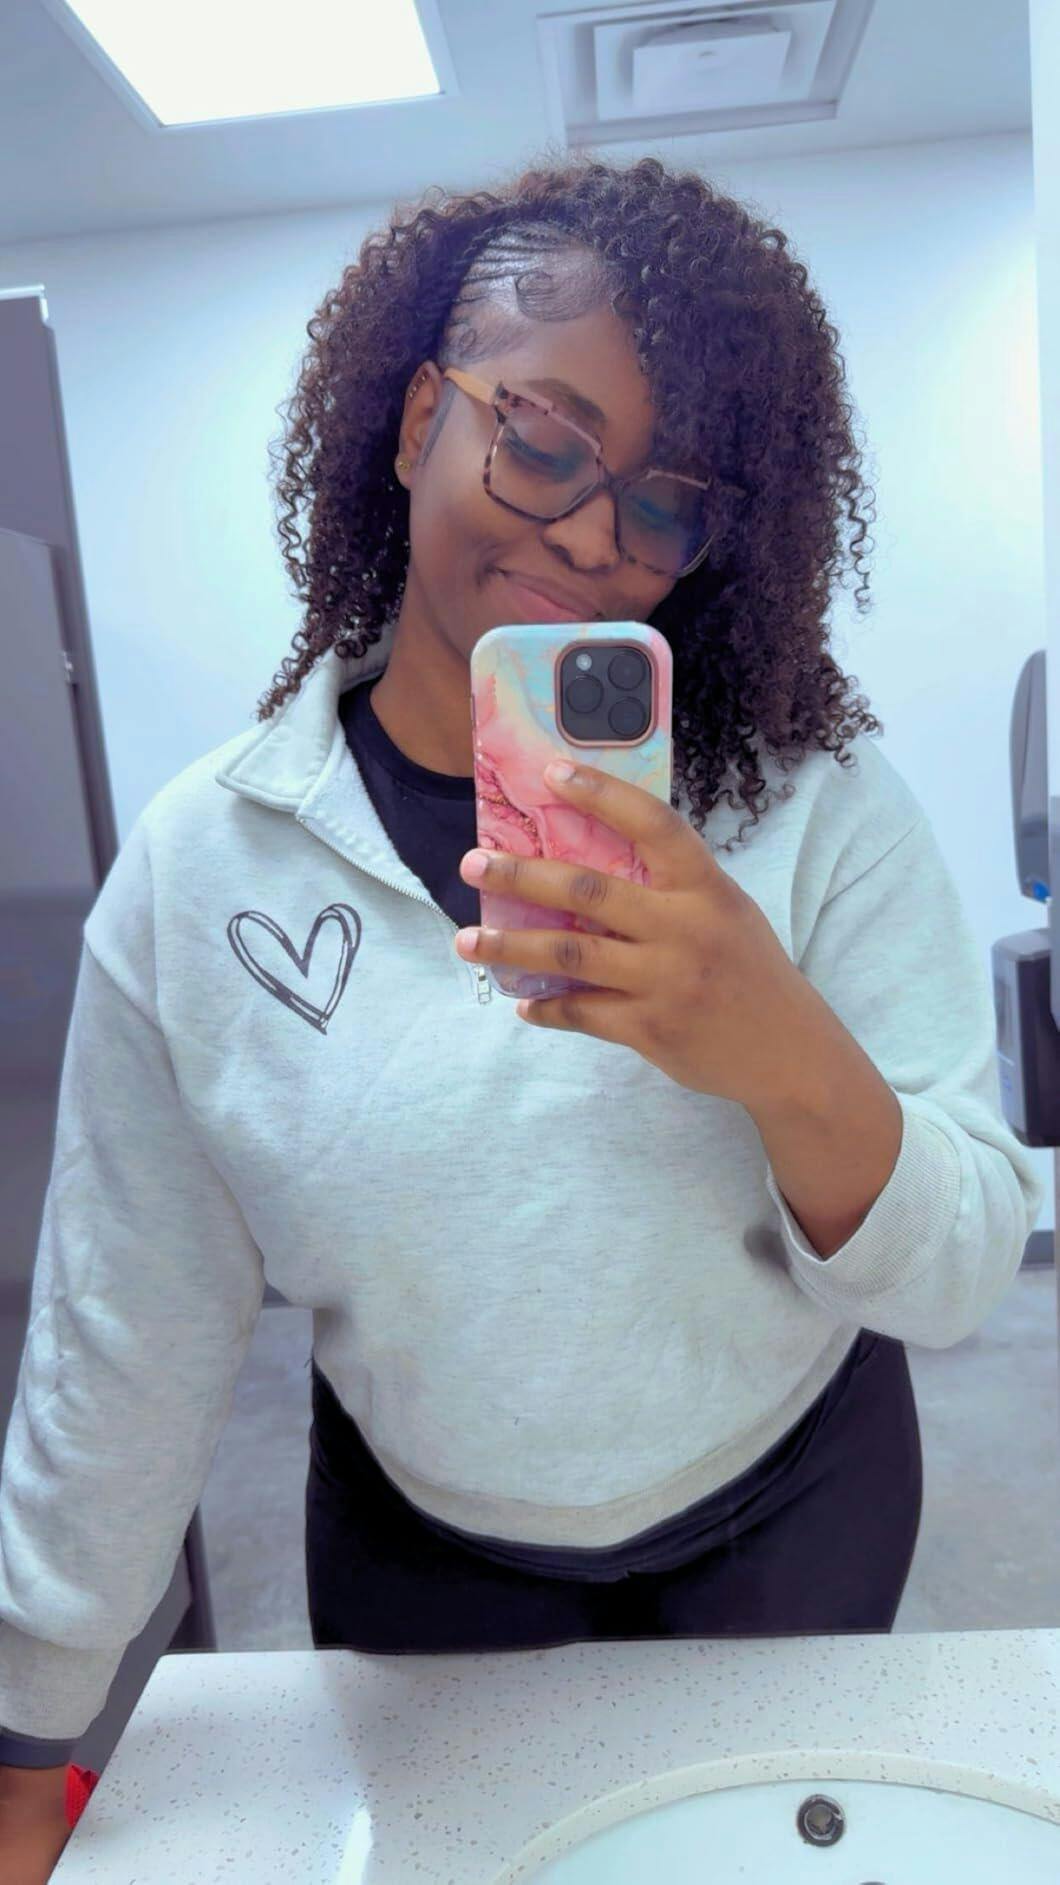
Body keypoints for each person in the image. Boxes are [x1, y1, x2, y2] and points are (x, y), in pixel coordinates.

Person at [0, 152, 1043, 1876]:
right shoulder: (204, 870)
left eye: (663, 504)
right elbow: (127, 1336)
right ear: (422, 417)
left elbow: (962, 1271)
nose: (589, 534)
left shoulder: (814, 807)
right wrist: (28, 1732)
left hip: (793, 1509)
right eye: (544, 440)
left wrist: (780, 1050)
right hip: (421, 1554)